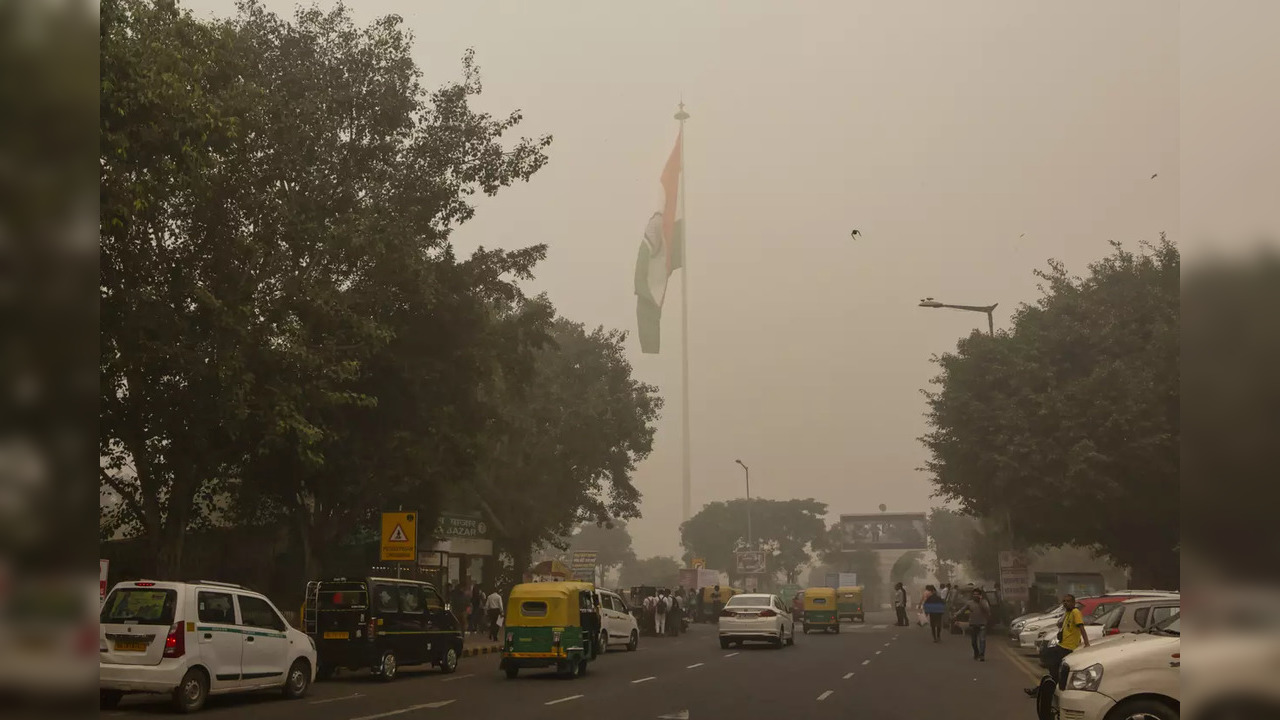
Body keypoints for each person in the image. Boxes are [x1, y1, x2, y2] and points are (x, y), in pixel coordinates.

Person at [1025, 594, 1091, 702]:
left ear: (1073, 603)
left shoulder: (1075, 612)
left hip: (1068, 648)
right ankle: (1041, 690)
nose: (1066, 603)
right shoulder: (1068, 613)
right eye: (1064, 601)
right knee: (1051, 668)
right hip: (1061, 645)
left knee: (1053, 671)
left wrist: (1087, 643)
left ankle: (1044, 690)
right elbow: (1059, 624)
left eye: (1068, 601)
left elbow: (1081, 628)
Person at [967, 587, 991, 661]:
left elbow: (987, 610)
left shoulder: (984, 602)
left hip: (982, 624)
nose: (975, 596)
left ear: (980, 595)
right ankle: (976, 652)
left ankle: (982, 655)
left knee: (982, 640)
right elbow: (962, 609)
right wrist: (956, 614)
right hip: (973, 624)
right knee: (973, 642)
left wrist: (980, 601)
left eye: (977, 594)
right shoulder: (969, 603)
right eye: (974, 594)